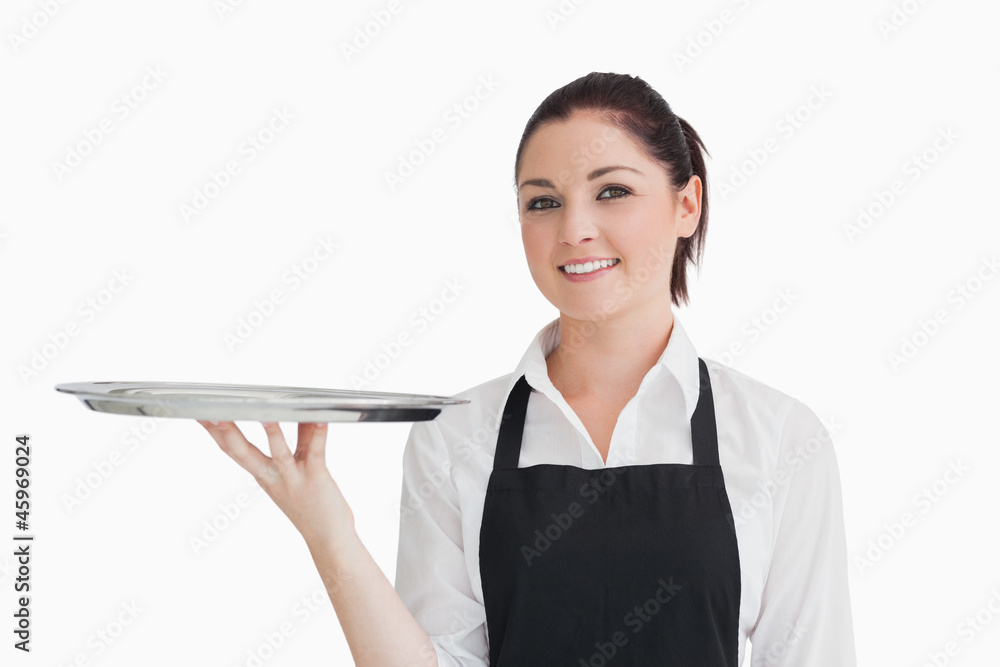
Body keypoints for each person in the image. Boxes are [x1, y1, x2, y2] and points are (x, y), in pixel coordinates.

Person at [198, 71, 856, 666]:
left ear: (687, 205)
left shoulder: (778, 438)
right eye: (543, 201)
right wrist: (328, 532)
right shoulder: (455, 436)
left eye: (613, 191)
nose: (574, 228)